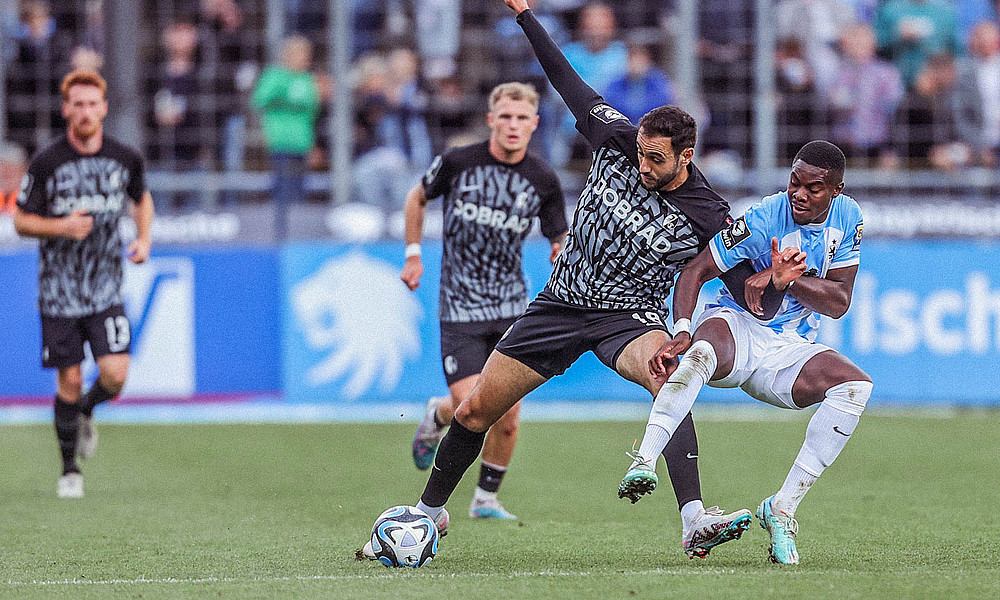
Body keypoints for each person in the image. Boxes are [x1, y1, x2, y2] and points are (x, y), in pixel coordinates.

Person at [389, 0, 788, 560]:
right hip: (559, 303)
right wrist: (527, 14)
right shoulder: (618, 138)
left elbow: (755, 294)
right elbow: (563, 76)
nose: (643, 166)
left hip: (626, 318)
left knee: (673, 382)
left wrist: (776, 279)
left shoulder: (709, 212)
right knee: (477, 410)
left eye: (655, 159)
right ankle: (429, 515)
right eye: (641, 154)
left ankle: (695, 519)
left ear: (687, 156)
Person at [622, 140, 872, 565]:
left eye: (813, 188)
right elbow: (696, 271)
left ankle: (782, 508)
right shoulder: (763, 217)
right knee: (700, 353)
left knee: (855, 388)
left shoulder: (849, 218)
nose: (799, 194)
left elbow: (839, 301)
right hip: (736, 327)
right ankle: (643, 460)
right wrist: (681, 330)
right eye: (795, 182)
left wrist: (784, 281)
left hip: (789, 348)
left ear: (837, 190)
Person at [403, 81, 568, 521]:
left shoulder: (543, 179)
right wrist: (413, 254)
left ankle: (485, 500)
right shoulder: (459, 162)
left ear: (534, 125)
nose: (513, 126)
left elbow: (558, 233)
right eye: (506, 117)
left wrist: (559, 249)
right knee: (470, 406)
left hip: (512, 307)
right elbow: (416, 197)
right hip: (459, 307)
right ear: (492, 120)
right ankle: (437, 416)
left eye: (522, 118)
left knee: (508, 412)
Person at [13, 70, 154, 499]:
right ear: (66, 109)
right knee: (68, 381)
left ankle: (87, 412)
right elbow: (20, 220)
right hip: (59, 292)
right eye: (78, 103)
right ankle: (69, 469)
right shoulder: (47, 162)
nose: (86, 111)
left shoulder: (125, 158)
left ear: (105, 108)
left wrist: (144, 237)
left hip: (106, 289)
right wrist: (61, 226)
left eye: (93, 103)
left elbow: (141, 198)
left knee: (115, 375)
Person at [251, 35, 320, 238]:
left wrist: (311, 145)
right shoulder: (275, 76)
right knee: (282, 190)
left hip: (301, 144)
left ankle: (297, 234)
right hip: (280, 143)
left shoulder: (307, 79)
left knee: (299, 191)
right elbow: (259, 99)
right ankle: (280, 233)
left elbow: (312, 111)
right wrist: (284, 88)